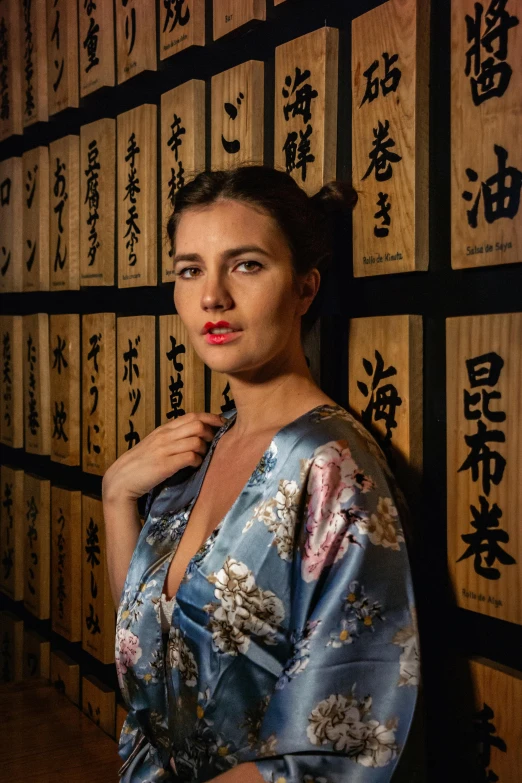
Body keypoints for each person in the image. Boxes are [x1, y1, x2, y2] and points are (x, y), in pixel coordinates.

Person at [102, 165, 420, 783]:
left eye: (246, 265)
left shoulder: (333, 471)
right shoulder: (198, 447)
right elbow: (153, 650)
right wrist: (116, 495)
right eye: (190, 269)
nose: (212, 296)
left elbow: (338, 741)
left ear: (304, 289)